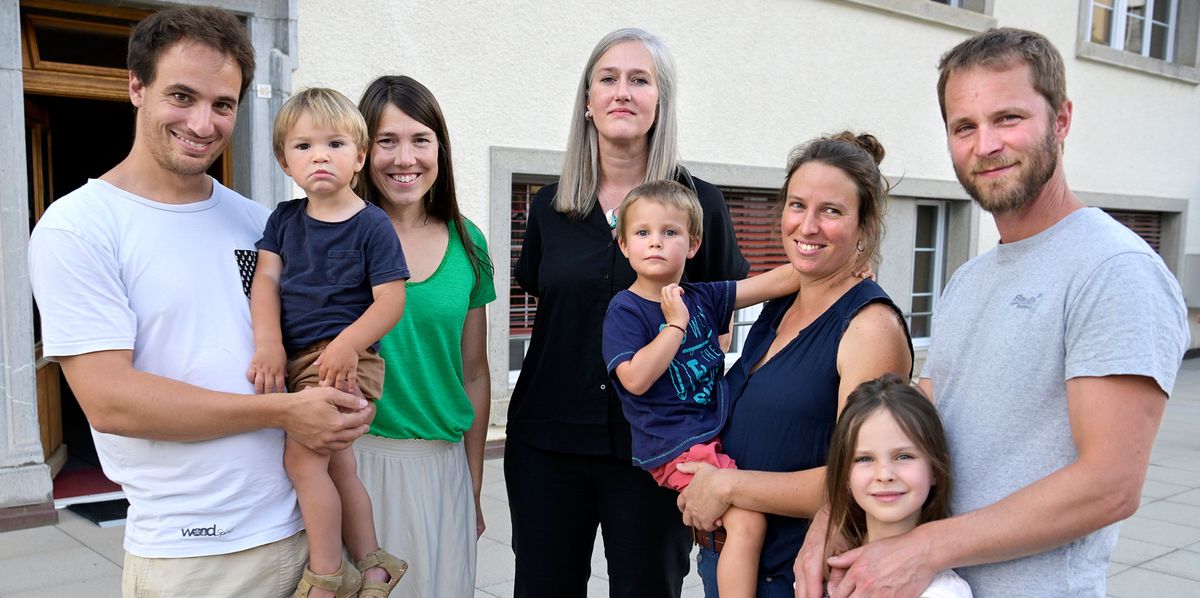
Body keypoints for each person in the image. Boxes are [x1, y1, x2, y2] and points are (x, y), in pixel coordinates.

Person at [795, 28, 1190, 598]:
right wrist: (833, 518)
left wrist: (923, 548)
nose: (985, 145)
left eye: (1008, 118)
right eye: (964, 127)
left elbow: (1110, 484)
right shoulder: (969, 278)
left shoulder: (1113, 270)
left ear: (1061, 120)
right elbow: (917, 418)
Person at [26, 6, 374, 596]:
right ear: (136, 87)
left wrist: (342, 399)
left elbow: (311, 341)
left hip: (302, 531)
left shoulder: (259, 222)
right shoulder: (79, 228)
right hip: (196, 553)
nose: (203, 122)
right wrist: (284, 412)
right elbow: (113, 403)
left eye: (223, 104)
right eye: (181, 96)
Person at [507, 28, 749, 597]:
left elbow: (719, 322)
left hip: (657, 453)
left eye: (640, 80)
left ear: (659, 101)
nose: (623, 91)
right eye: (608, 79)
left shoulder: (700, 204)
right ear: (587, 102)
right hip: (548, 443)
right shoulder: (550, 205)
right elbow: (554, 306)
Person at [674, 132, 914, 597]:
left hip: (797, 577)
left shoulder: (869, 329)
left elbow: (865, 481)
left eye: (832, 211)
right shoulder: (783, 303)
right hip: (728, 563)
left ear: (864, 227)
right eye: (798, 205)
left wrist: (727, 486)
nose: (807, 226)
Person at [603, 180, 809, 597]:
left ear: (693, 244)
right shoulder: (625, 309)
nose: (656, 242)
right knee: (748, 521)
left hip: (710, 429)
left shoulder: (704, 297)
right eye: (643, 233)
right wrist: (674, 324)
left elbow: (778, 280)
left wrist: (845, 269)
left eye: (670, 232)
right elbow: (634, 378)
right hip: (676, 443)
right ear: (624, 246)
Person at [249, 87, 409, 598]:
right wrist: (268, 343)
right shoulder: (284, 220)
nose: (320, 155)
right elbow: (266, 282)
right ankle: (374, 564)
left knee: (301, 461)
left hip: (346, 360)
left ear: (360, 158)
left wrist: (346, 344)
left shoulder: (372, 225)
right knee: (338, 464)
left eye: (336, 144)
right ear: (283, 161)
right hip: (297, 357)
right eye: (303, 146)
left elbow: (390, 302)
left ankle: (325, 575)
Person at [352, 75, 497, 598]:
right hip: (355, 465)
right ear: (364, 150)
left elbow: (475, 372)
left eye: (420, 139)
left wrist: (473, 482)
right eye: (387, 141)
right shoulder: (335, 233)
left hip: (443, 469)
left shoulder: (467, 239)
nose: (404, 158)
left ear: (441, 148)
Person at [823, 374, 971, 598]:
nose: (884, 475)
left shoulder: (943, 592)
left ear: (936, 469)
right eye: (864, 459)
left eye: (903, 456)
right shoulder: (826, 573)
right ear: (845, 475)